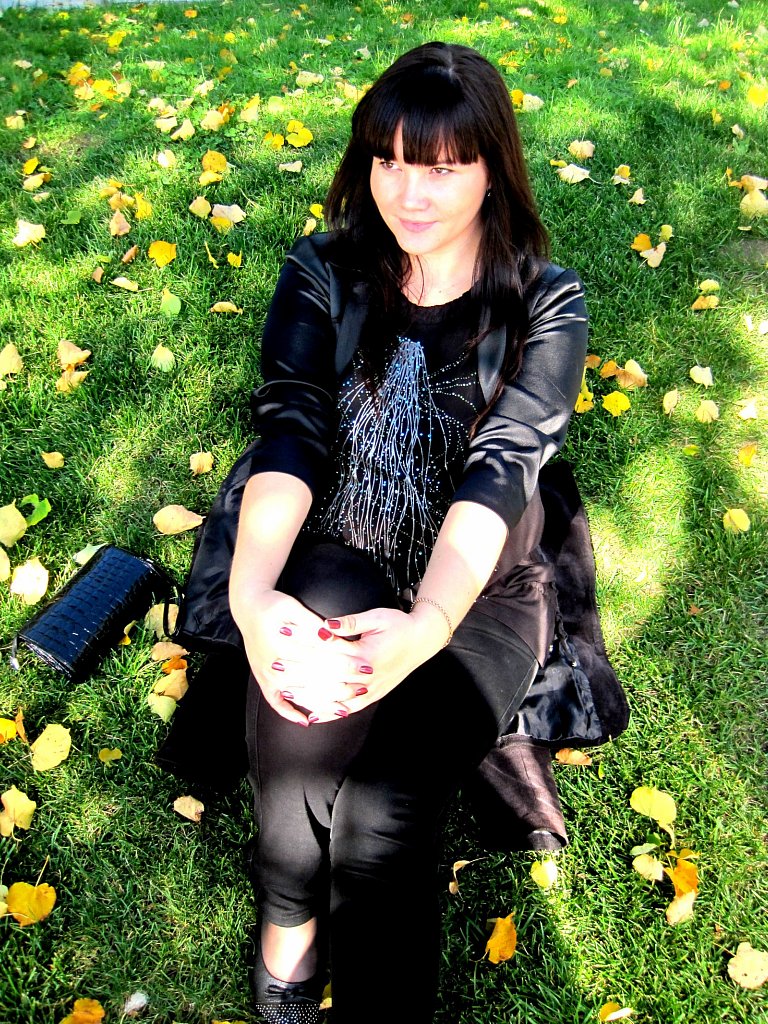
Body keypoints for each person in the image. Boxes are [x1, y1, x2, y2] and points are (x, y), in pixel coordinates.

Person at [227, 41, 589, 1024]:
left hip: (479, 585)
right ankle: (289, 935)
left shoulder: (545, 304)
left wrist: (427, 626)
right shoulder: (325, 270)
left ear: (493, 169)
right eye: (387, 160)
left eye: (441, 167)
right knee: (301, 741)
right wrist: (252, 601)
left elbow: (500, 473)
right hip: (340, 545)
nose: (407, 193)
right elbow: (291, 433)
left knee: (384, 808)